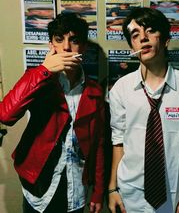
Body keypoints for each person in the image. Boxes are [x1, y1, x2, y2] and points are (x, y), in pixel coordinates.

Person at [0, 13, 105, 213]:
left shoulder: (94, 91)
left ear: (82, 47)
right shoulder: (38, 79)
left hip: (76, 185)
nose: (66, 47)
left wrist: (99, 191)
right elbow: (6, 115)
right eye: (59, 40)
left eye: (73, 40)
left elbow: (98, 143)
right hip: (38, 183)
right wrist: (44, 70)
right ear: (51, 45)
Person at [108, 7, 179, 213]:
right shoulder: (121, 89)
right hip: (129, 193)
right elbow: (118, 140)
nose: (143, 38)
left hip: (171, 195)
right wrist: (112, 189)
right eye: (135, 35)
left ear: (166, 39)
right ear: (131, 46)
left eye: (151, 31)